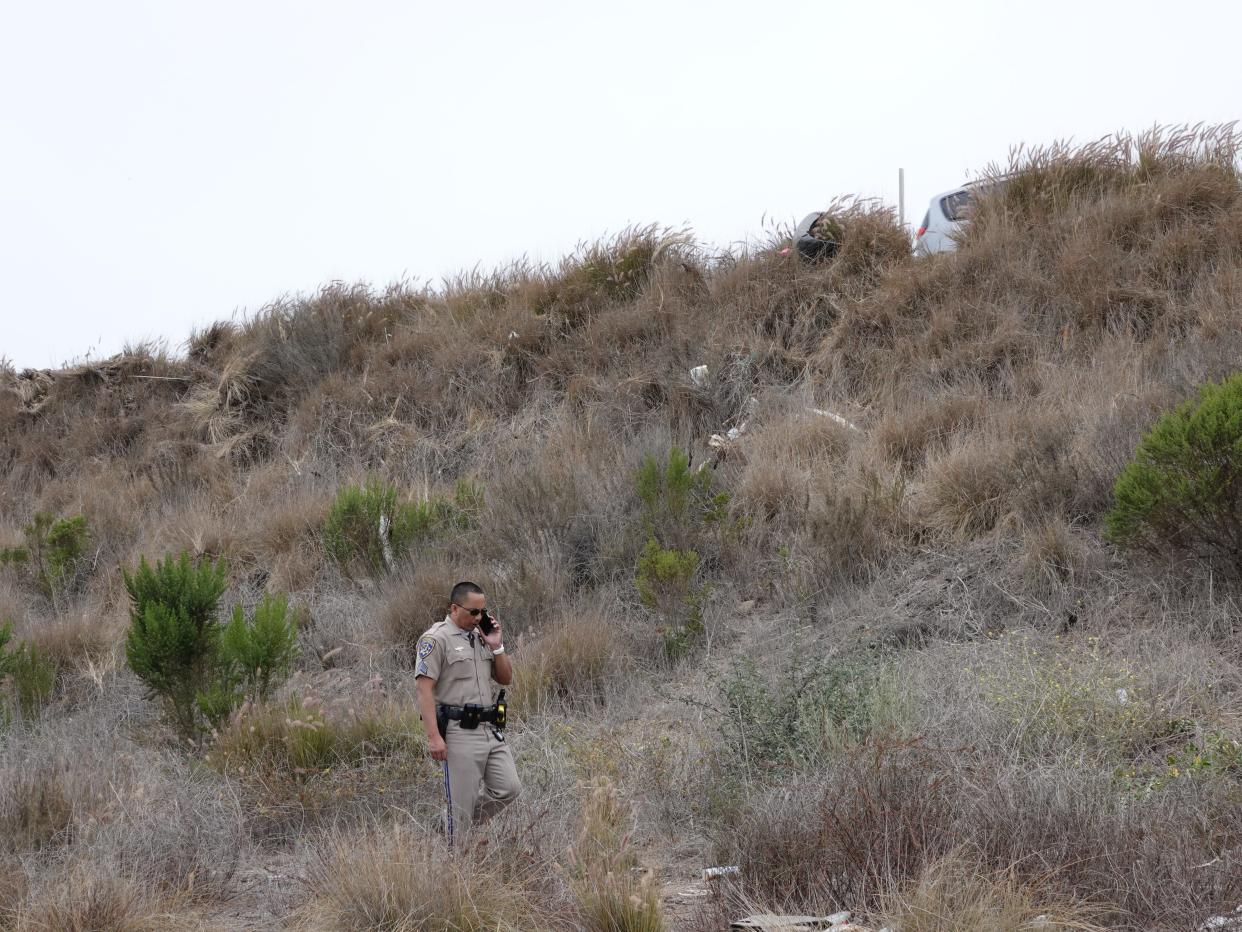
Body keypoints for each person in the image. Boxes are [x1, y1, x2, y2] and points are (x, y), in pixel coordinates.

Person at [415, 580, 520, 838]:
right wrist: (433, 737)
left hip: (490, 728)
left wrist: (497, 646)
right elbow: (424, 689)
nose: (479, 617)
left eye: (483, 611)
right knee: (460, 813)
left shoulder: (481, 637)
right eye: (473, 612)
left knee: (509, 787)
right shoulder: (436, 639)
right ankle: (456, 855)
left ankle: (444, 823)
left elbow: (505, 678)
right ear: (454, 608)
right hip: (458, 732)